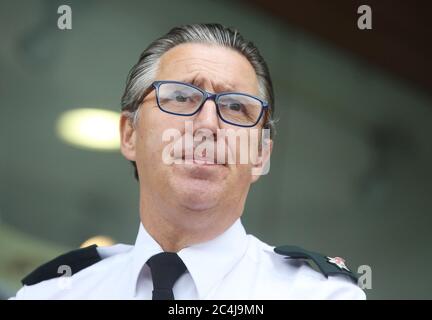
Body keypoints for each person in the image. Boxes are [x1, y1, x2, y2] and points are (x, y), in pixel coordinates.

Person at [11, 23, 365, 300]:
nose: (208, 124)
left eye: (235, 106)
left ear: (260, 155)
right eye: (181, 97)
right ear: (130, 134)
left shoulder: (319, 295)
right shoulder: (51, 294)